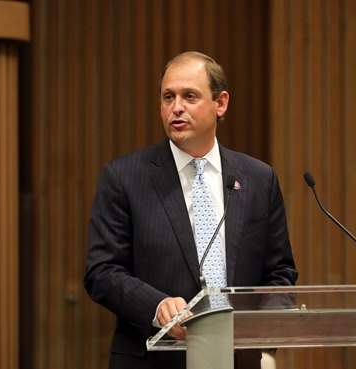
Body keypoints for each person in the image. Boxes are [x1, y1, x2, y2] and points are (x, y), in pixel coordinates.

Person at [84, 51, 298, 369]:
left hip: (238, 359)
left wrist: (263, 330)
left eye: (189, 96)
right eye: (168, 97)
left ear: (220, 103)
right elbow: (102, 271)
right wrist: (156, 306)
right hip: (153, 360)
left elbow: (280, 274)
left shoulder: (257, 178)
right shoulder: (124, 177)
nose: (176, 107)